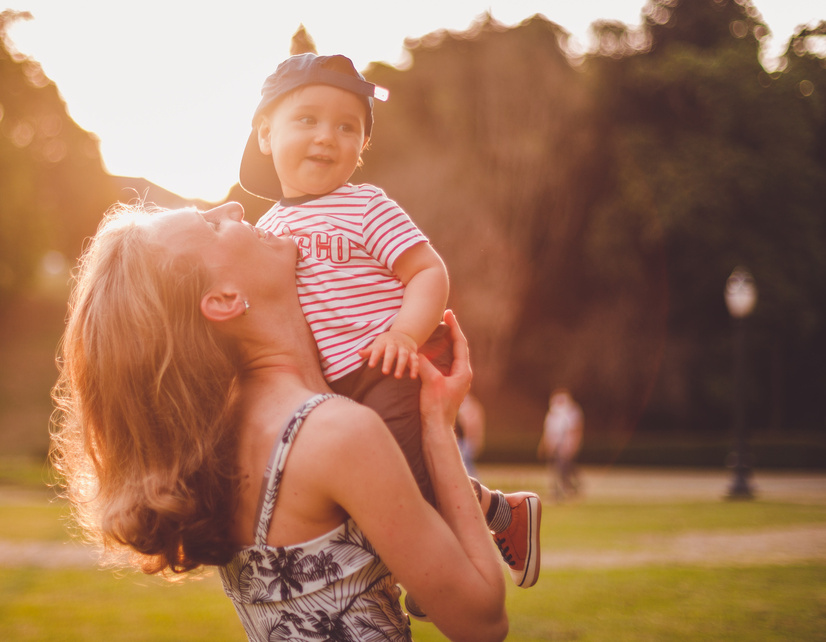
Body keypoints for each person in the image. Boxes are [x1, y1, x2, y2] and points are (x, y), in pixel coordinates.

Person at [51, 202, 511, 641]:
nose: (234, 209)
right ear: (226, 299)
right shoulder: (335, 433)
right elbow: (482, 621)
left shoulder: (221, 438)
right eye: (212, 225)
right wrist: (437, 423)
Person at [238, 52, 540, 589]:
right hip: (334, 382)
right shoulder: (267, 227)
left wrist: (405, 333)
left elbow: (427, 270)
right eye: (307, 119)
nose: (327, 136)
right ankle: (501, 515)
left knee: (400, 469)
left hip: (395, 358)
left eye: (346, 126)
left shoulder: (366, 207)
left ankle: (440, 569)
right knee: (371, 476)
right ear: (265, 132)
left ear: (362, 148)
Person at [539, 389, 583, 500]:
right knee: (556, 469)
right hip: (554, 446)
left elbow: (575, 430)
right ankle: (558, 492)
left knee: (564, 469)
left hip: (565, 447)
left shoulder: (572, 412)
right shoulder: (552, 413)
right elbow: (547, 431)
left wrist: (572, 446)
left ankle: (571, 488)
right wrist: (544, 445)